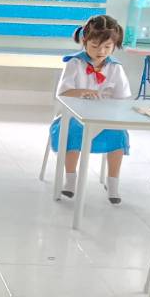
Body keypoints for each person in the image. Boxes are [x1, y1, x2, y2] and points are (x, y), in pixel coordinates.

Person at [56, 14, 132, 205]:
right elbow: (63, 93)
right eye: (95, 46)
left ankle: (113, 183)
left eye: (107, 47)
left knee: (119, 135)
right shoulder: (74, 63)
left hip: (104, 118)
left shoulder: (115, 68)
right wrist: (82, 92)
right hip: (73, 117)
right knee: (74, 132)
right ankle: (70, 179)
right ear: (85, 41)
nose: (101, 51)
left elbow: (122, 98)